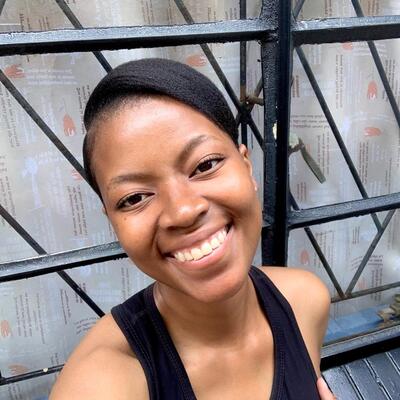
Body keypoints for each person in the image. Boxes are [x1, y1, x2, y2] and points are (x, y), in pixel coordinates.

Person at [50, 58, 336, 399]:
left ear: (246, 166)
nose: (183, 211)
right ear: (112, 220)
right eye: (135, 198)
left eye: (205, 165)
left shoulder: (305, 301)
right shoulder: (101, 386)